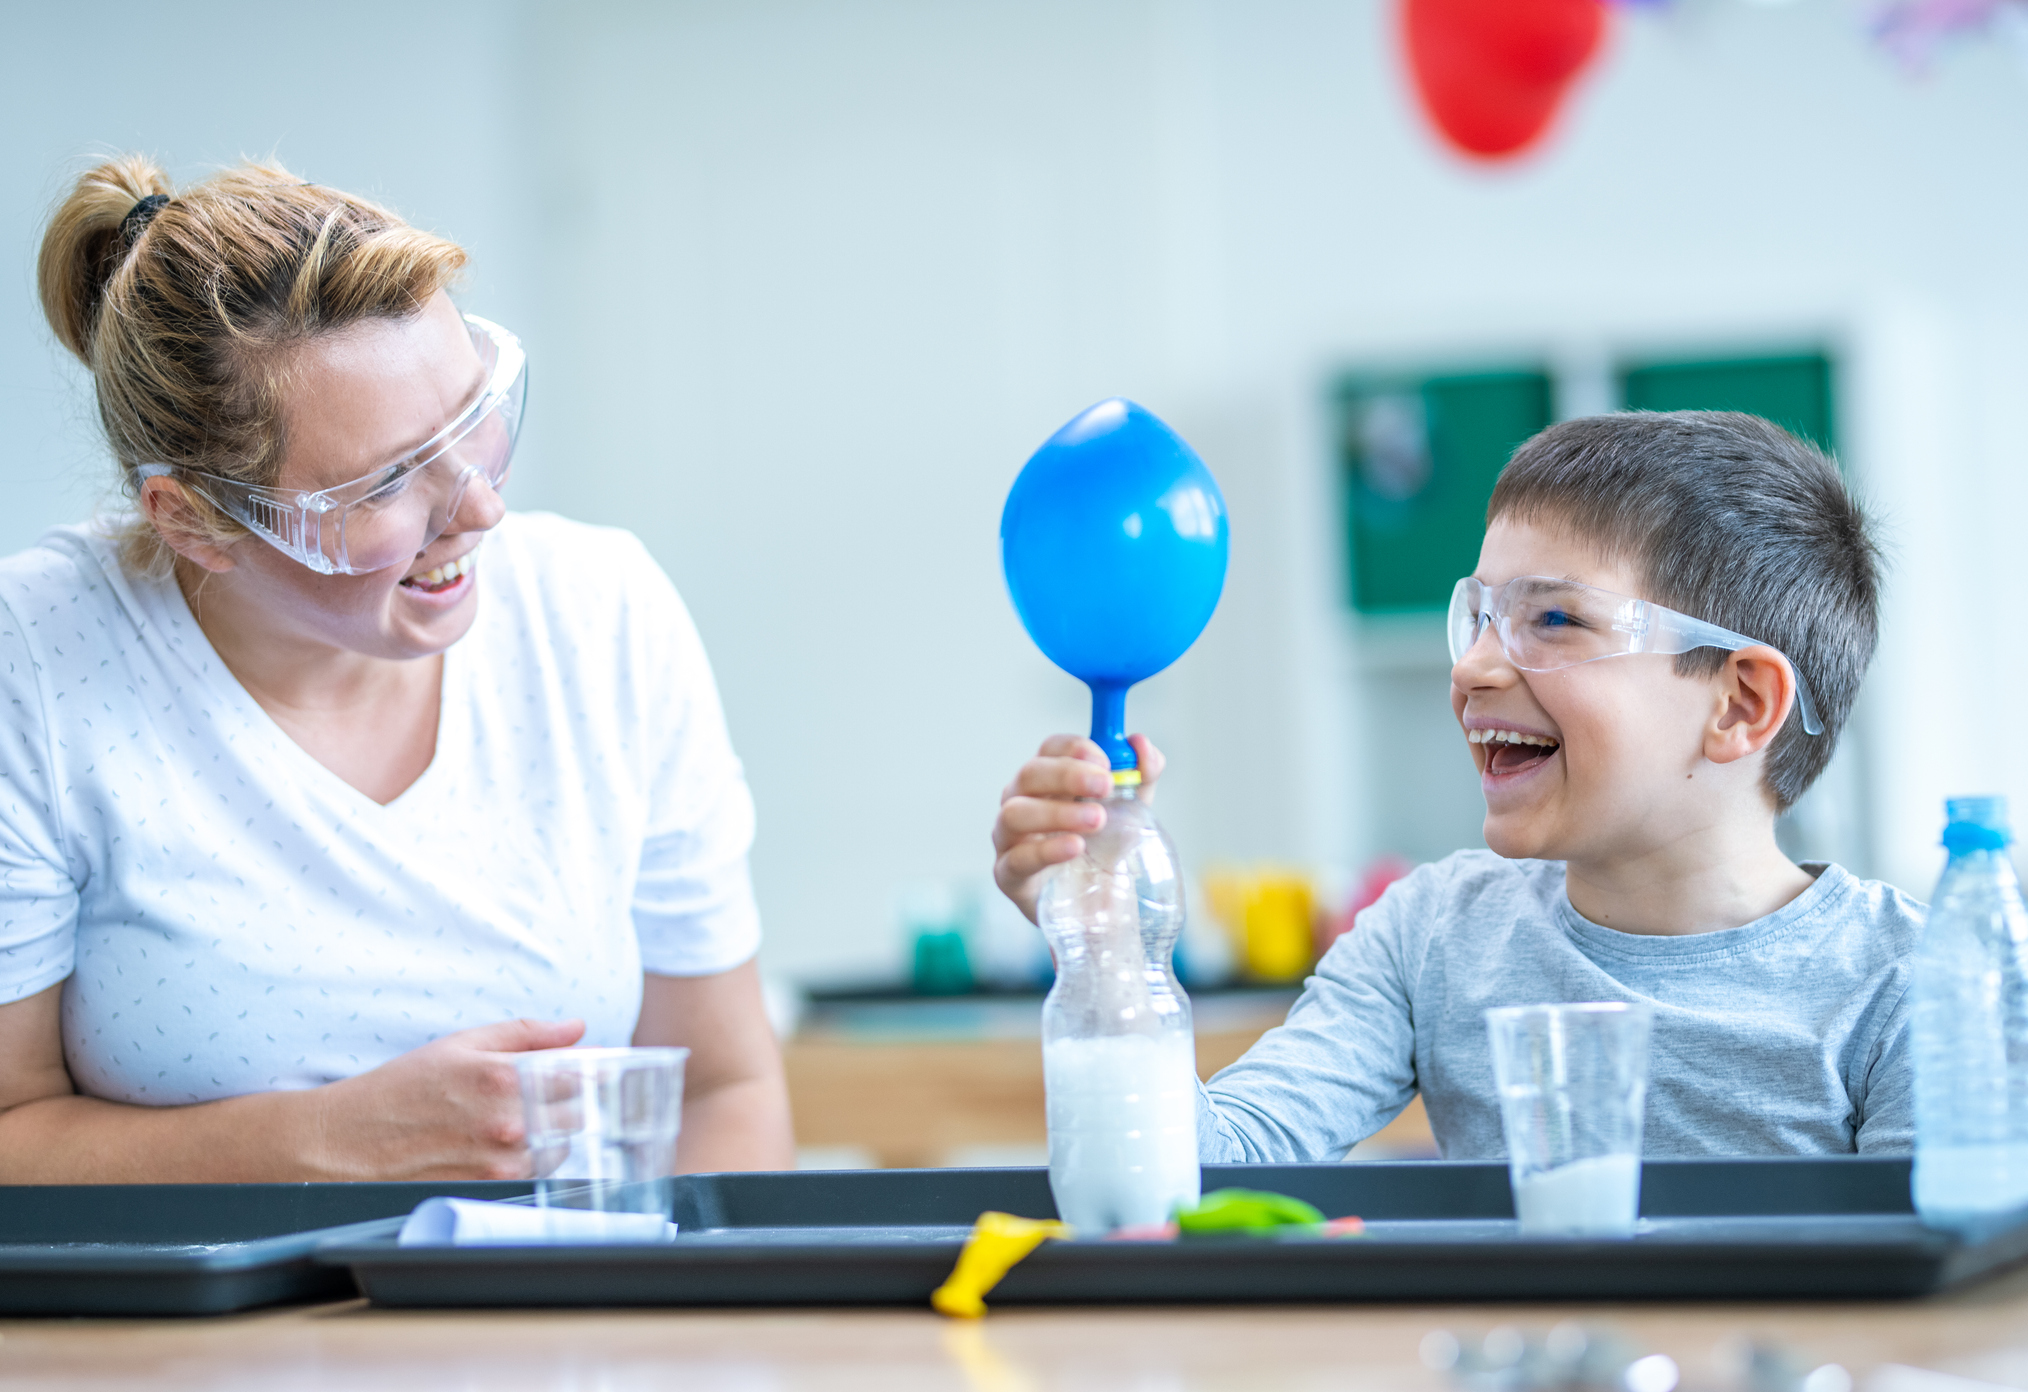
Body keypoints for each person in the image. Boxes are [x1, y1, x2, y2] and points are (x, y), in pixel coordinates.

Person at [0, 157, 794, 1181]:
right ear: (195, 522)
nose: (478, 508)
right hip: (187, 1345)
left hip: (570, 1324)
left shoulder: (601, 616)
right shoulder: (38, 659)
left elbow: (722, 1089)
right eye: (383, 483)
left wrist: (659, 1325)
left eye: (474, 417)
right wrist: (330, 1139)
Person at [992, 411, 1920, 1160]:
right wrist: (1106, 948)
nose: (1474, 667)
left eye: (1552, 617)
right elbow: (1201, 1170)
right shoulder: (1433, 936)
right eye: (1476, 616)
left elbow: (1936, 1304)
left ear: (1739, 704)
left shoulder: (1907, 982)